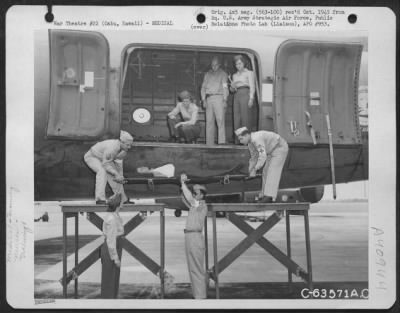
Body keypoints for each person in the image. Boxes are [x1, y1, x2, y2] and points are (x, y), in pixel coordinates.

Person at [235, 127, 289, 203]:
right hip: (272, 150)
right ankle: (264, 195)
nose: (240, 141)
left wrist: (255, 169)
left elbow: (262, 156)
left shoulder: (256, 139)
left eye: (241, 139)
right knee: (265, 171)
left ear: (247, 135)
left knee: (272, 171)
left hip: (279, 148)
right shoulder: (250, 143)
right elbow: (254, 158)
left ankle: (269, 196)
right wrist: (250, 171)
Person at [84, 130, 134, 205]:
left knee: (115, 177)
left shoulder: (123, 150)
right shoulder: (112, 148)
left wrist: (120, 176)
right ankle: (100, 199)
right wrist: (116, 174)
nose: (129, 147)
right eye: (127, 145)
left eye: (130, 145)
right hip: (92, 157)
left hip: (103, 159)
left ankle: (123, 199)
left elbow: (118, 165)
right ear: (122, 142)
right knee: (102, 172)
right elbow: (105, 164)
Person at [180, 174, 208, 299]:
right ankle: (198, 295)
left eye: (196, 193)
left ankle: (200, 298)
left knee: (196, 269)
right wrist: (182, 187)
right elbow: (185, 198)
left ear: (201, 195)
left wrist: (182, 183)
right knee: (193, 268)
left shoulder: (200, 204)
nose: (194, 194)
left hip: (195, 237)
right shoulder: (195, 205)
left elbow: (189, 198)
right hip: (191, 237)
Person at [100, 193, 124, 298]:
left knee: (113, 279)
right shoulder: (112, 219)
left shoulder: (114, 215)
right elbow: (111, 239)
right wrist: (115, 258)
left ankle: (111, 302)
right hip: (111, 248)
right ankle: (108, 305)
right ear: (118, 204)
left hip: (114, 246)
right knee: (109, 280)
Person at [201, 57, 229, 145]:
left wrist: (225, 99)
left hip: (219, 98)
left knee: (220, 120)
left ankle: (221, 142)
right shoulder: (207, 74)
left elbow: (225, 87)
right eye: (212, 65)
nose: (214, 67)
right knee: (209, 121)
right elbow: (203, 87)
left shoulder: (223, 74)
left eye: (216, 65)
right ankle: (209, 143)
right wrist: (203, 99)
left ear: (219, 65)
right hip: (209, 98)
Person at [231, 55, 256, 135]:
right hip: (237, 95)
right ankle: (238, 139)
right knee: (237, 117)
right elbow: (232, 90)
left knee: (246, 117)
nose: (238, 66)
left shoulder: (249, 73)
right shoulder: (234, 75)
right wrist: (232, 87)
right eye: (236, 64)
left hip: (246, 93)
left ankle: (246, 139)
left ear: (243, 63)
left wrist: (251, 98)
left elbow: (252, 86)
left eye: (240, 63)